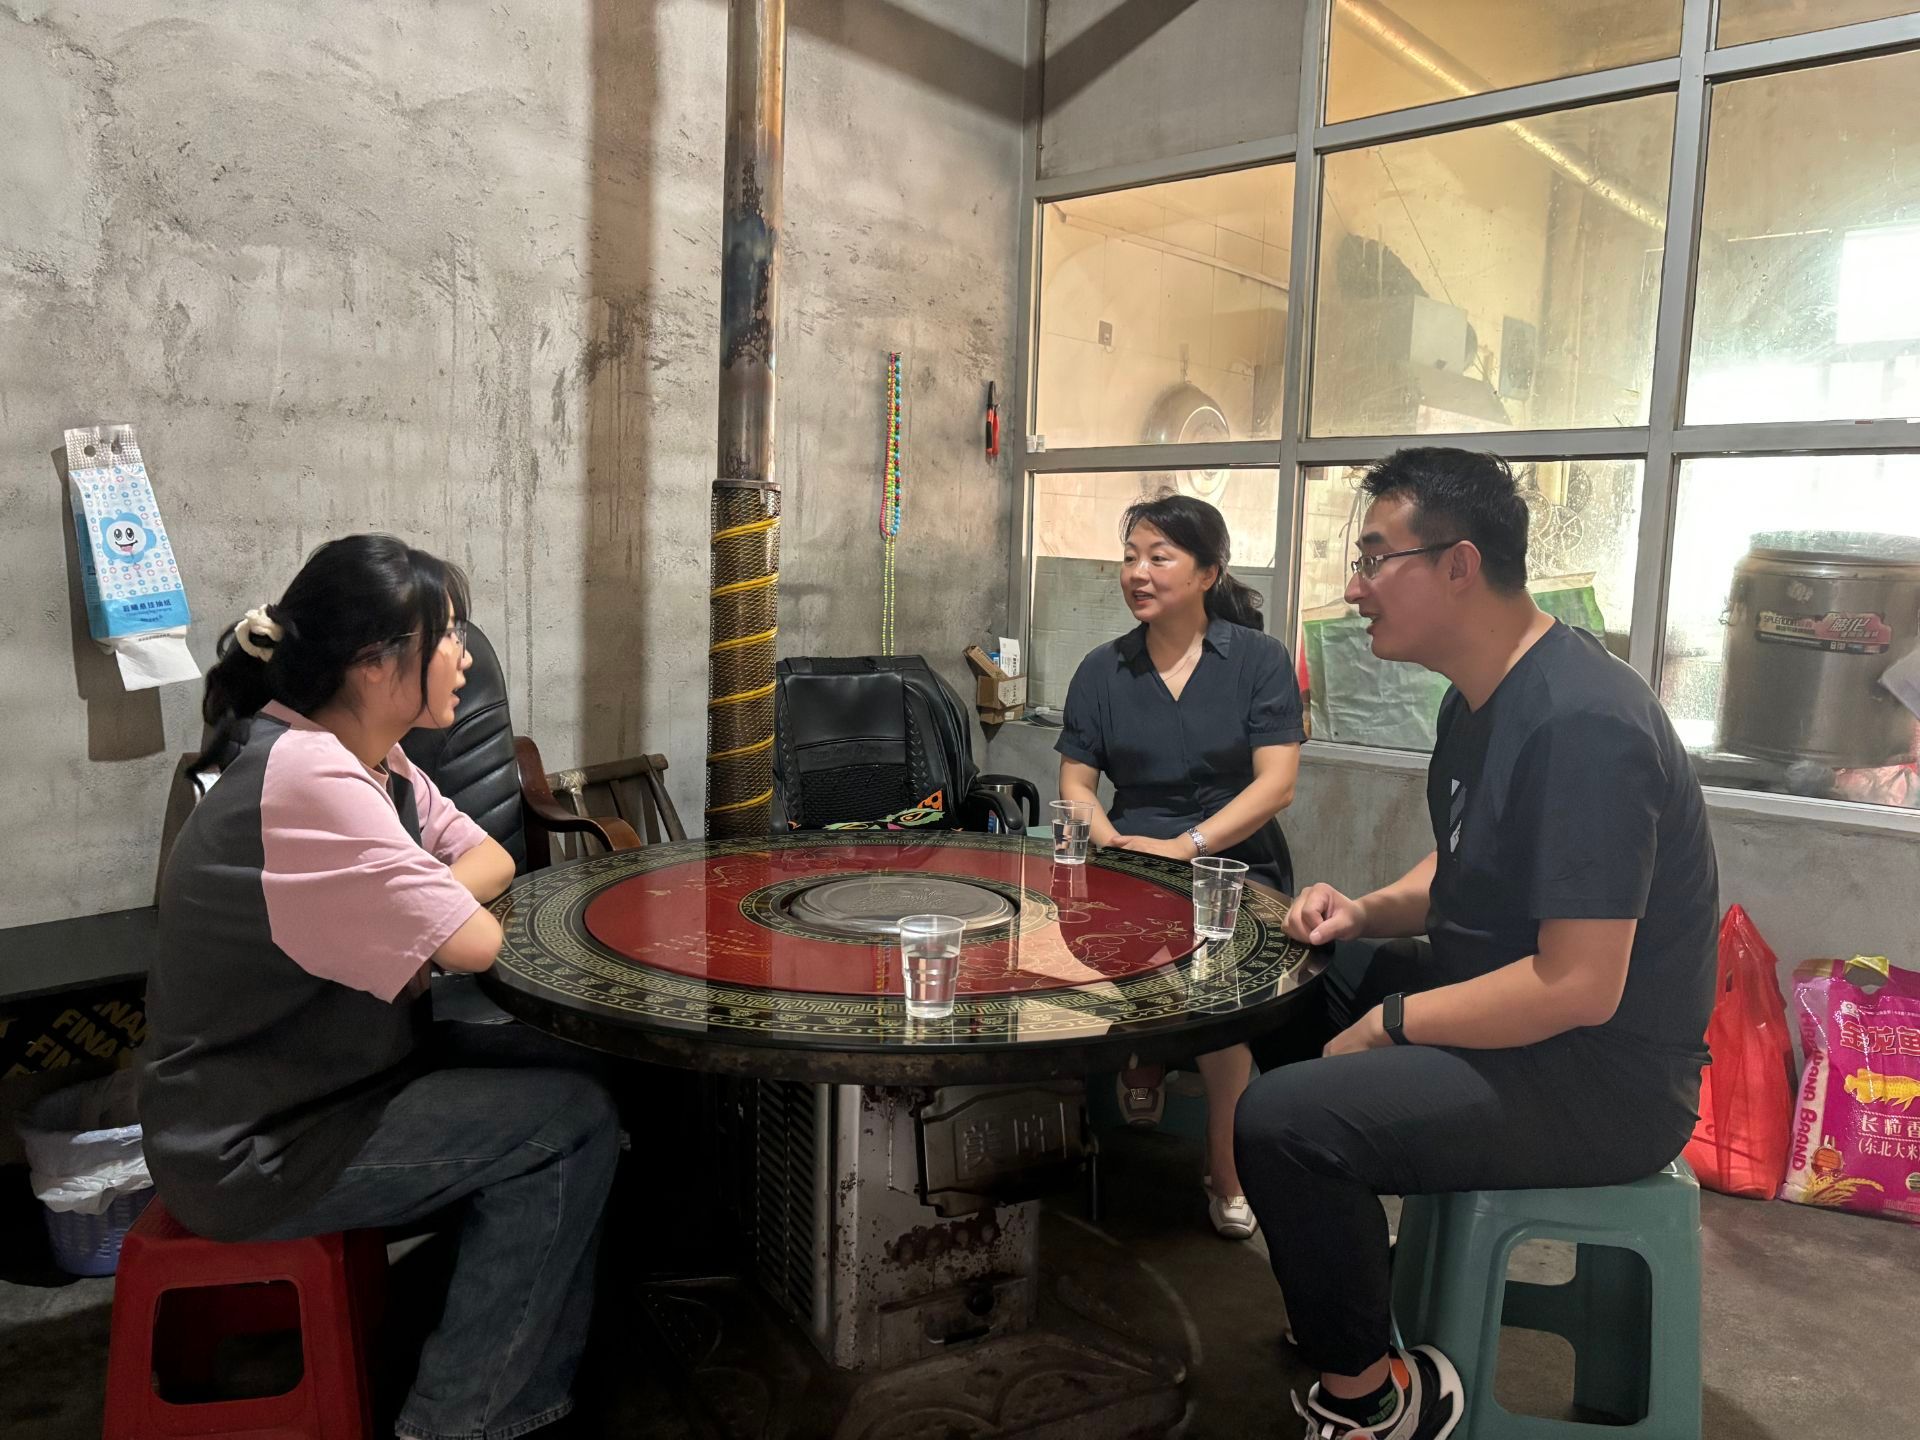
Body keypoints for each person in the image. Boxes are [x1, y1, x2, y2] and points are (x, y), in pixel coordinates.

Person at [1233, 449, 1718, 1440]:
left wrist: (1391, 1025)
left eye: (1375, 558)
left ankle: (1381, 1404)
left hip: (1602, 1077)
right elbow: (1463, 862)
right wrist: (1362, 913)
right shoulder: (1478, 697)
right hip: (1515, 1009)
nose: (1355, 589)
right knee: (1284, 985)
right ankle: (1351, 1302)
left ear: (1458, 564)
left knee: (1284, 1123)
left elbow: (1578, 985)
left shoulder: (1584, 724)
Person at [140, 535, 619, 1440]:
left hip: (335, 1084)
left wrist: (423, 893)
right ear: (374, 662)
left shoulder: (374, 761)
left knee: (576, 1060)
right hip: (257, 1143)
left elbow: (490, 856)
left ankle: (505, 1359)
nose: (465, 656)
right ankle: (464, 1419)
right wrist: (434, 901)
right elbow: (477, 940)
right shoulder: (309, 780)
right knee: (569, 1124)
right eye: (448, 635)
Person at [1055, 492, 1305, 1239]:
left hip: (1235, 863)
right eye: (1130, 557)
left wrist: (1189, 844)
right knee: (1086, 952)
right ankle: (1141, 1054)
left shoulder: (1258, 660)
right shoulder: (1102, 669)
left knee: (1222, 1001)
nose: (1138, 572)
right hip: (1130, 858)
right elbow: (1076, 782)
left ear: (1207, 573)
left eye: (1159, 557)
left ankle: (1225, 1170)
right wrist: (1104, 833)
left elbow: (1276, 784)